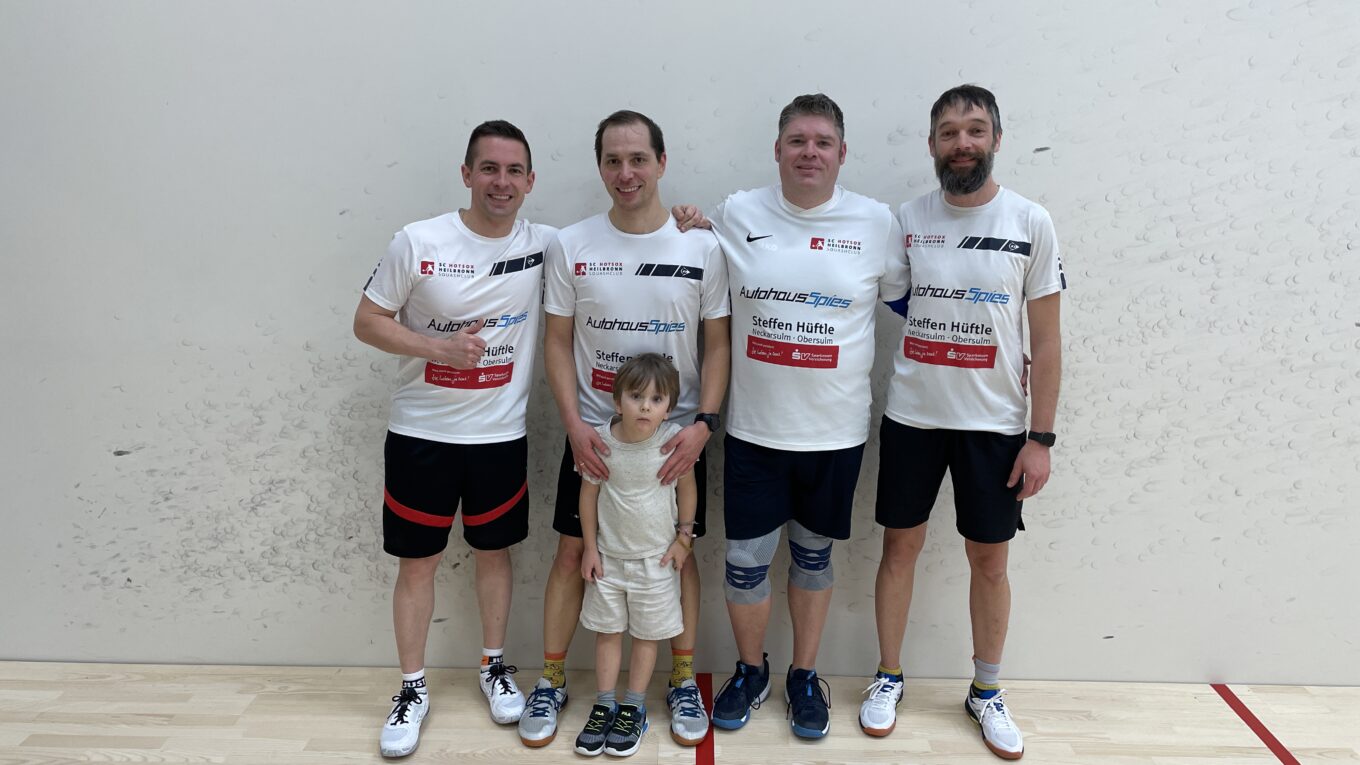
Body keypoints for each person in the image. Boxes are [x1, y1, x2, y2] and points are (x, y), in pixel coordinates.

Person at [860, 84, 1066, 761]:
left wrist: (1040, 438)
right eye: (949, 132)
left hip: (996, 427)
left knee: (990, 561)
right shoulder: (908, 219)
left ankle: (986, 689)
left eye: (975, 130)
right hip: (913, 418)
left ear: (996, 139)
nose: (962, 143)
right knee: (899, 550)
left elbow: (1047, 341)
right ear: (931, 145)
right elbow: (902, 301)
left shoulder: (1031, 220)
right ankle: (889, 676)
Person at [520, 110, 729, 748]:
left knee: (678, 556)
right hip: (595, 438)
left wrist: (704, 425)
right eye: (613, 160)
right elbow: (557, 342)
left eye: (638, 158)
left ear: (661, 163)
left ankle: (682, 679)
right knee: (572, 554)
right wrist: (575, 425)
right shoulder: (571, 245)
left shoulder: (701, 246)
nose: (626, 172)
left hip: (675, 441)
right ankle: (553, 679)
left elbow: (718, 345)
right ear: (600, 167)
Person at [705, 93, 909, 740]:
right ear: (777, 149)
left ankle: (804, 674)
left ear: (842, 153)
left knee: (813, 559)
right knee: (744, 562)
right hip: (753, 431)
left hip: (836, 433)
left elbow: (914, 305)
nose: (809, 152)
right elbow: (691, 265)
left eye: (822, 142)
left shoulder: (876, 222)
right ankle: (751, 670)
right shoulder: (736, 213)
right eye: (797, 140)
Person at [354, 120, 556, 758]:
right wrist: (434, 347)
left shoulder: (545, 245)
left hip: (500, 437)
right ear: (467, 174)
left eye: (514, 171)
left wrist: (689, 221)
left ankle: (494, 666)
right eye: (489, 169)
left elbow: (621, 241)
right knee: (419, 563)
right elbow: (367, 321)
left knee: (495, 554)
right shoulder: (417, 241)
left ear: (530, 181)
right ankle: (411, 689)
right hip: (421, 436)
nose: (501, 182)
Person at [569, 354, 699, 757]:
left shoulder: (673, 441)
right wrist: (590, 549)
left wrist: (684, 539)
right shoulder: (601, 441)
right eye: (636, 396)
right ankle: (605, 705)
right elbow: (587, 497)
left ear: (669, 408)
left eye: (656, 399)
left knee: (646, 636)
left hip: (656, 563)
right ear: (617, 400)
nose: (645, 406)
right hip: (608, 561)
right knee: (607, 633)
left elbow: (687, 489)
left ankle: (633, 708)